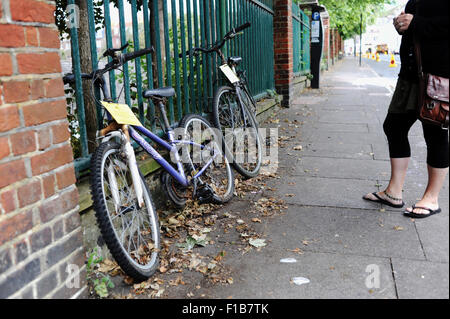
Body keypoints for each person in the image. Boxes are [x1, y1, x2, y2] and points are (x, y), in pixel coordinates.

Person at [363, 0, 449, 218]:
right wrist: (402, 24)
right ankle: (393, 192)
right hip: (412, 74)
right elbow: (415, 25)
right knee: (394, 126)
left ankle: (431, 198)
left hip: (437, 74)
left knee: (435, 133)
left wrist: (416, 22)